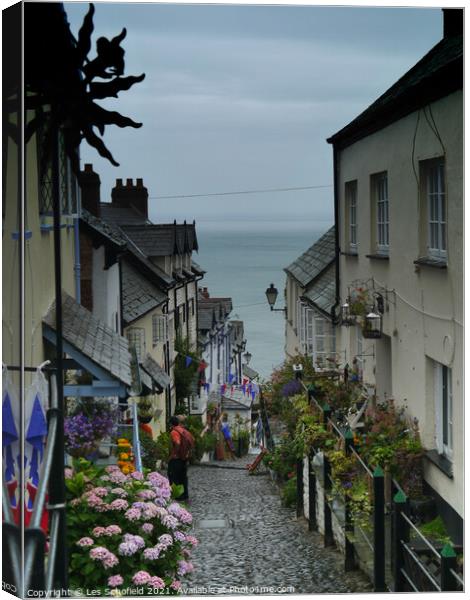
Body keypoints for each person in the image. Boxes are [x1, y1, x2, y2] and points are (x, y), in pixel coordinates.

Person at [168, 416, 194, 501]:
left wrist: (174, 453)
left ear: (171, 424)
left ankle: (177, 496)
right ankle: (185, 495)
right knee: (183, 477)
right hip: (184, 457)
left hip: (176, 459)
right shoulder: (184, 430)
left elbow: (177, 442)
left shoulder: (174, 432)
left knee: (174, 477)